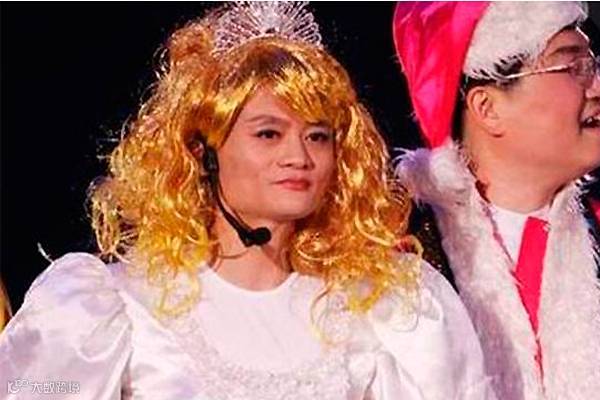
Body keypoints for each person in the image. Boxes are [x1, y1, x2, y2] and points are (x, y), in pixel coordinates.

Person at [0, 3, 493, 399]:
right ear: (203, 152)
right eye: (268, 133)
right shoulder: (113, 306)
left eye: (317, 136)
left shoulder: (382, 306)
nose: (298, 157)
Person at [393, 2, 600, 400]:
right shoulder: (400, 251)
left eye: (592, 64)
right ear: (487, 108)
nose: (596, 87)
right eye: (573, 67)